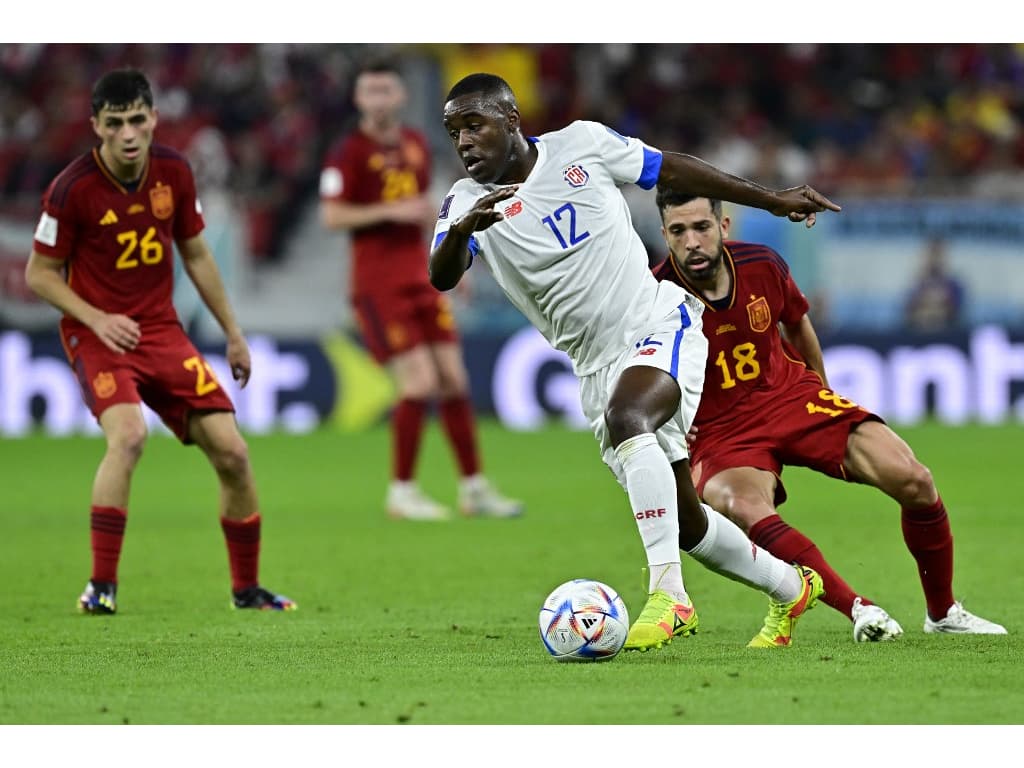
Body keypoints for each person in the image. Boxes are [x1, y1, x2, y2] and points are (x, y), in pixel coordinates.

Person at [429, 72, 840, 650]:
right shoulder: (465, 203)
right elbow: (440, 276)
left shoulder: (581, 145)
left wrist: (772, 199)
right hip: (594, 365)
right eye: (454, 132)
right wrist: (462, 233)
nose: (465, 141)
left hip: (656, 324)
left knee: (631, 419)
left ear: (512, 120)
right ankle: (791, 588)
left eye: (475, 124)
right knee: (687, 519)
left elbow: (669, 169)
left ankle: (669, 595)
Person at [651, 190, 1006, 640]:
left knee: (914, 479)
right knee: (741, 505)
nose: (691, 242)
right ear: (665, 236)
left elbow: (797, 324)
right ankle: (859, 608)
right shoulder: (652, 295)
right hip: (720, 431)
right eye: (678, 232)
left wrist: (820, 388)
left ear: (723, 227)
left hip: (788, 396)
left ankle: (943, 613)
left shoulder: (763, 264)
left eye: (701, 227)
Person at [24, 68, 295, 614]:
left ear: (153, 119)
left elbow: (195, 253)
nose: (128, 133)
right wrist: (96, 319)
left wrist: (234, 334)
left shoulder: (174, 170)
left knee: (235, 454)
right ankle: (101, 588)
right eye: (115, 123)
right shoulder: (71, 188)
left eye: (137, 120)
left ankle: (247, 590)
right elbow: (39, 273)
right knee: (128, 438)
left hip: (162, 333)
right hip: (98, 335)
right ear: (97, 126)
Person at [320, 61, 521, 522]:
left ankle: (474, 489)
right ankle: (402, 491)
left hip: (421, 278)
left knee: (454, 380)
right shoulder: (347, 153)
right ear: (358, 99)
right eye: (369, 91)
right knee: (420, 382)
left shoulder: (414, 145)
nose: (378, 100)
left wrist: (458, 264)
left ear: (400, 96)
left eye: (385, 90)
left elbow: (429, 211)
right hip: (378, 285)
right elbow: (332, 217)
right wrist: (392, 209)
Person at [903, 237, 966, 333]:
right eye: (932, 254)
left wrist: (931, 307)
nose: (935, 259)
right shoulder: (915, 285)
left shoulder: (954, 286)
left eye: (938, 254)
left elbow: (955, 314)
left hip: (948, 336)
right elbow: (909, 314)